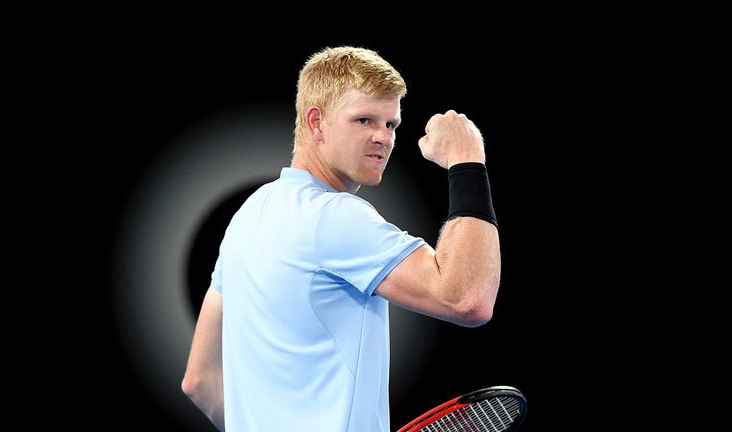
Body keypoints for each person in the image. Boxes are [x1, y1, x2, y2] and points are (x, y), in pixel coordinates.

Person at [182, 46, 501, 431]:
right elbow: (468, 298)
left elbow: (198, 381)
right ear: (316, 122)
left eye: (391, 125)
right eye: (364, 120)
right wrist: (467, 160)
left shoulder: (247, 216)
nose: (382, 138)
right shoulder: (334, 217)